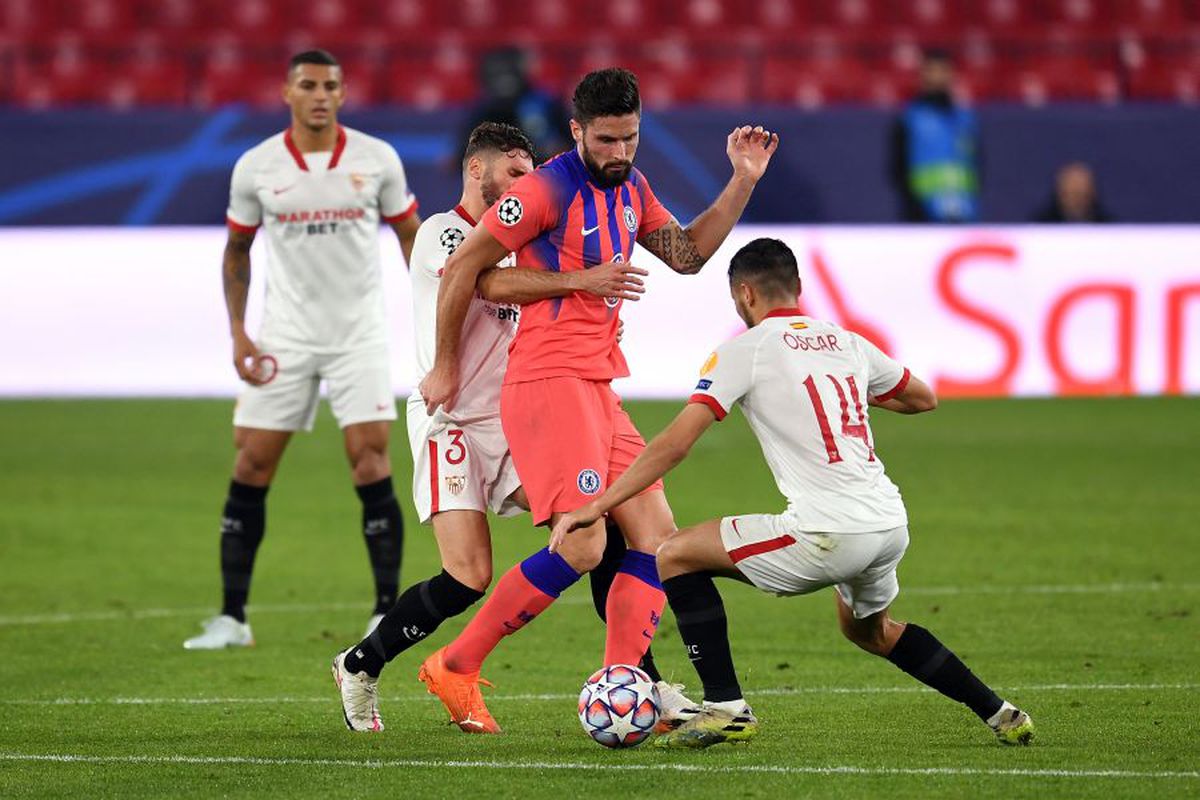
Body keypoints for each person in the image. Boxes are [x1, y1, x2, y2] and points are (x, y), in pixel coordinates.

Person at [551, 238, 1037, 749]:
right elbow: (923, 398)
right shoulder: (846, 341)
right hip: (888, 523)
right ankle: (1001, 712)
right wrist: (844, 388)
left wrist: (599, 504)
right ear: (798, 289)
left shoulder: (745, 350)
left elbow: (675, 443)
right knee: (871, 632)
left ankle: (725, 708)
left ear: (743, 295)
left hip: (828, 529)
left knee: (674, 553)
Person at [415, 68, 779, 733]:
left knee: (657, 538)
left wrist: (743, 181)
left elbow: (690, 254)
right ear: (578, 131)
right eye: (607, 140)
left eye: (630, 138)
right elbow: (472, 271)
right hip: (547, 382)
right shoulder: (544, 188)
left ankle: (621, 679)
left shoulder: (633, 187)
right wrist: (446, 363)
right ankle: (457, 663)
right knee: (583, 546)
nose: (620, 153)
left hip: (598, 382)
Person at [329, 121, 693, 732]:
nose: (527, 186)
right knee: (467, 575)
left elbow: (541, 300)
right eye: (516, 174)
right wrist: (574, 285)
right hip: (452, 421)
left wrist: (592, 321)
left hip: (515, 415)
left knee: (594, 522)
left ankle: (641, 684)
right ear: (478, 170)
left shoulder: (522, 240)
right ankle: (361, 665)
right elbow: (479, 280)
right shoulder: (443, 233)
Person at [184, 50, 422, 650]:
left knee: (371, 459)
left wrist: (431, 313)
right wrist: (239, 333)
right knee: (251, 463)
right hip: (284, 335)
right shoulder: (257, 166)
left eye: (331, 86)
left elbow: (411, 236)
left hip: (357, 334)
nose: (321, 95)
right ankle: (232, 617)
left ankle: (383, 610)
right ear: (287, 91)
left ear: (343, 94)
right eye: (309, 85)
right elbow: (237, 251)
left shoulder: (377, 159)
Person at [889, 49, 981, 223]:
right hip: (922, 214)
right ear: (922, 76)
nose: (938, 77)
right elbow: (898, 169)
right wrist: (913, 207)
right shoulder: (909, 119)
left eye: (943, 71)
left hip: (964, 212)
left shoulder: (966, 118)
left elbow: (977, 165)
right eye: (933, 71)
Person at [458, 46, 573, 165]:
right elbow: (465, 156)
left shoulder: (547, 102)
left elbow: (571, 144)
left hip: (545, 173)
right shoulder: (482, 110)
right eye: (498, 73)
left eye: (509, 71)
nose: (505, 81)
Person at [1033, 161, 1112, 223]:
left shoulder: (1109, 228)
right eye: (1071, 194)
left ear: (1092, 193)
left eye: (1081, 193)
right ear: (1060, 193)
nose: (1076, 200)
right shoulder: (1041, 227)